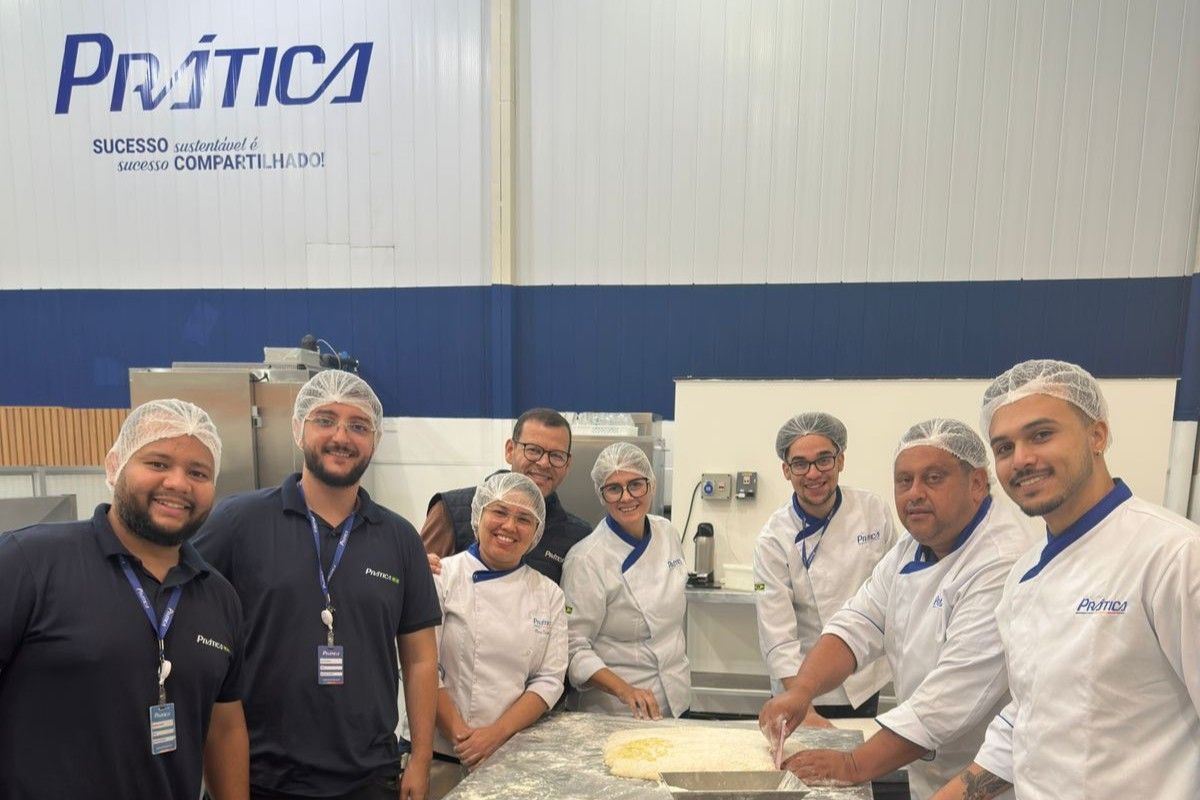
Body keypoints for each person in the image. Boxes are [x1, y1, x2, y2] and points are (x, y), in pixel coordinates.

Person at [931, 359, 1200, 800]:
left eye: (1041, 434)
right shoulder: (1024, 575)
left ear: (1097, 434)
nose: (1021, 459)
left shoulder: (1173, 556)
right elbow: (1031, 714)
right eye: (1003, 447)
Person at [194, 371, 441, 800]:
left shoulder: (400, 538)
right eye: (325, 419)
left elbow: (420, 657)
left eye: (359, 425)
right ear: (298, 429)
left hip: (370, 776)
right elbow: (180, 603)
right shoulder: (239, 523)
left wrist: (420, 759)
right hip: (261, 777)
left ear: (375, 440)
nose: (341, 436)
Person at [760, 419, 1036, 799]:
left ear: (976, 483)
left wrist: (852, 765)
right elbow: (861, 620)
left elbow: (948, 699)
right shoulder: (914, 544)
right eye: (904, 481)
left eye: (933, 478)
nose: (915, 494)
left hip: (987, 780)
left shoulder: (999, 563)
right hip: (927, 760)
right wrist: (802, 690)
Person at [0, 400, 248, 800]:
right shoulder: (29, 562)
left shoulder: (218, 596)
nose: (178, 483)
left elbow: (224, 724)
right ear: (115, 466)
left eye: (198, 472)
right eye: (158, 463)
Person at [753, 412, 896, 718]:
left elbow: (897, 593)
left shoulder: (874, 511)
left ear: (840, 460)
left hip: (863, 679)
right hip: (800, 683)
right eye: (800, 464)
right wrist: (801, 703)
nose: (814, 473)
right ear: (786, 471)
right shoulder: (773, 538)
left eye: (824, 460)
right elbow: (776, 631)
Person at [432, 472, 566, 774]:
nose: (509, 526)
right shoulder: (441, 576)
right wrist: (463, 737)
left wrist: (495, 734)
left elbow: (549, 679)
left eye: (524, 519)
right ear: (479, 516)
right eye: (500, 512)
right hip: (441, 752)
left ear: (536, 532)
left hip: (509, 752)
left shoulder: (549, 594)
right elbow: (422, 666)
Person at [561, 442, 690, 719]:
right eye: (614, 488)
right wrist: (624, 690)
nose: (626, 497)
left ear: (651, 485)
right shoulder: (586, 559)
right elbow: (573, 647)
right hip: (616, 709)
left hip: (675, 695)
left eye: (635, 484)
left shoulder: (667, 532)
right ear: (602, 495)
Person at [420, 408, 591, 584]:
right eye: (533, 450)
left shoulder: (578, 537)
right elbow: (418, 583)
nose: (543, 463)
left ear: (567, 464)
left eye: (556, 455)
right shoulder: (450, 510)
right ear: (510, 450)